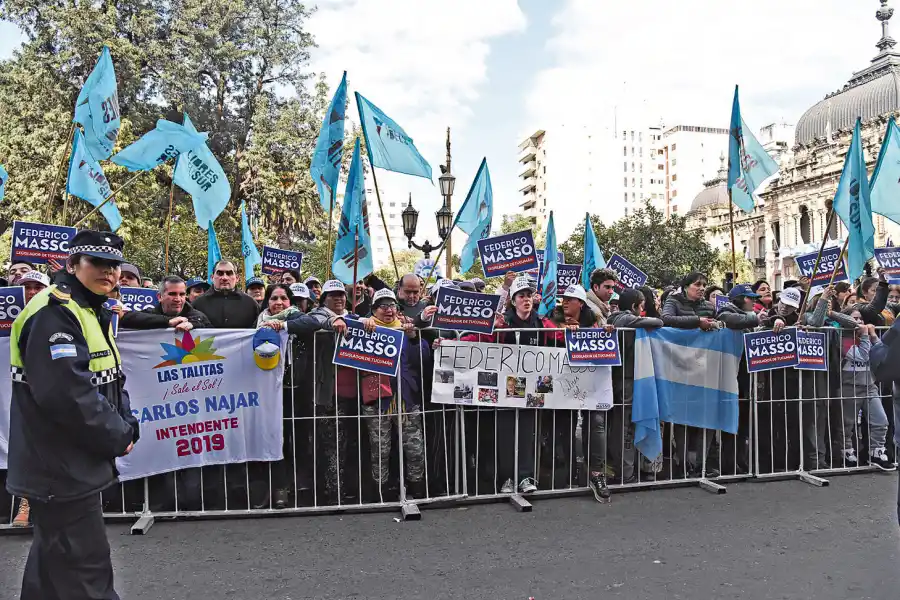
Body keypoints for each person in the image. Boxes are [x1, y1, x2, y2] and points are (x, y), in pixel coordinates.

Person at [7, 230, 139, 599]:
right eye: (97, 263)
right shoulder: (56, 311)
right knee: (87, 572)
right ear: (72, 265)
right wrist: (118, 435)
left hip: (67, 464)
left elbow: (109, 376)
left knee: (50, 569)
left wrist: (127, 423)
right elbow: (68, 395)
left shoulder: (88, 308)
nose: (109, 272)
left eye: (114, 265)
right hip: (60, 467)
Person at [358, 289, 429, 500]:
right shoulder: (364, 328)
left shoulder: (407, 330)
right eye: (383, 306)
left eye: (392, 306)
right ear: (373, 310)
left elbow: (422, 360)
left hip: (406, 398)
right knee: (380, 450)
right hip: (377, 400)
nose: (389, 310)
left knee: (415, 448)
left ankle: (416, 487)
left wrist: (414, 338)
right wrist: (361, 322)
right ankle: (380, 491)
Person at [607, 288, 664, 490]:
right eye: (642, 306)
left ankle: (626, 470)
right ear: (634, 306)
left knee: (622, 427)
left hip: (622, 379)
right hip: (626, 381)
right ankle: (626, 473)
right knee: (625, 429)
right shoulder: (624, 320)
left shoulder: (614, 318)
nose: (644, 310)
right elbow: (658, 322)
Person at [836, 308, 895, 471]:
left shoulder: (867, 336)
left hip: (870, 386)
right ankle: (846, 452)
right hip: (849, 387)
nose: (859, 322)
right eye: (854, 318)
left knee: (881, 421)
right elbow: (863, 356)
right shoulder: (844, 338)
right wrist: (863, 336)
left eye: (861, 319)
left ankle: (876, 452)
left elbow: (883, 354)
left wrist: (874, 336)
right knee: (846, 424)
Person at [120, 276, 211, 331]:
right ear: (160, 297)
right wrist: (167, 321)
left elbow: (213, 333)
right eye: (172, 294)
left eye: (182, 294)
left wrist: (194, 324)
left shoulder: (198, 316)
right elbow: (127, 318)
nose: (178, 299)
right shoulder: (150, 313)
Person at [192, 260, 261, 328]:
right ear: (212, 278)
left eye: (229, 273)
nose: (224, 278)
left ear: (237, 278)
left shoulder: (251, 304)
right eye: (220, 273)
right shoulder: (198, 304)